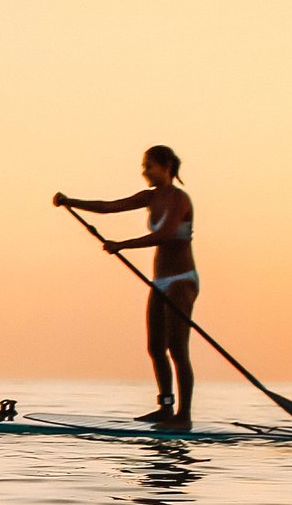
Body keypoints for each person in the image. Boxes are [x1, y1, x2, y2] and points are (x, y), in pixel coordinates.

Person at [54, 145, 199, 427]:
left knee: (178, 349)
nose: (144, 171)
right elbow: (109, 207)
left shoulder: (180, 199)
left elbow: (166, 234)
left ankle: (185, 417)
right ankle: (166, 408)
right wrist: (70, 201)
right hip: (159, 280)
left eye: (149, 166)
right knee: (155, 347)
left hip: (182, 280)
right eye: (143, 166)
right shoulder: (149, 197)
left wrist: (122, 245)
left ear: (166, 166)